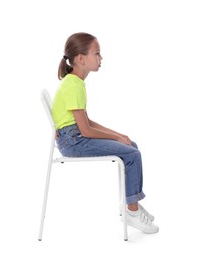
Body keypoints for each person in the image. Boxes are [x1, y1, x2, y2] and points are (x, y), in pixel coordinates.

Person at [52, 32, 159, 234]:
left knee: (131, 146)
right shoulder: (74, 85)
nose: (101, 58)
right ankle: (132, 212)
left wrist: (119, 134)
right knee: (133, 154)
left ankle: (131, 203)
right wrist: (117, 137)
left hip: (74, 137)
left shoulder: (75, 82)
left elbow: (87, 122)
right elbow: (84, 130)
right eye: (97, 53)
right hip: (73, 142)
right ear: (81, 59)